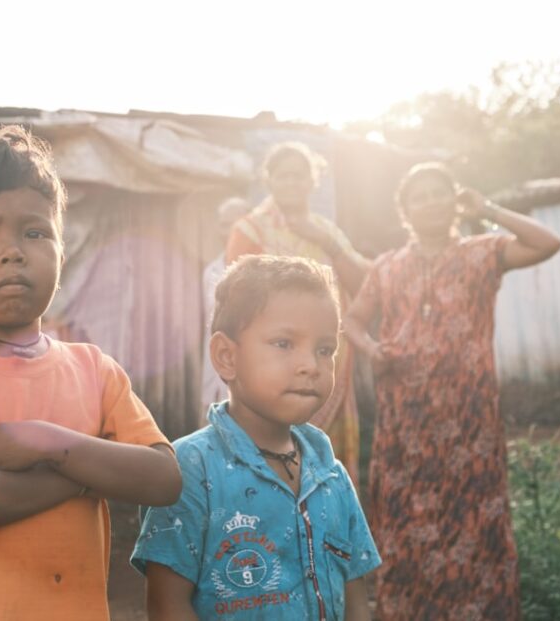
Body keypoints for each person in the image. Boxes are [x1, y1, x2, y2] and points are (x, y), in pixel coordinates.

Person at [0, 125, 182, 621]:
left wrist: (47, 442)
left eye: (35, 231)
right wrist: (82, 479)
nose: (12, 251)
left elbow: (164, 477)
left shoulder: (94, 370)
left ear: (61, 256)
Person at [343, 162, 560, 620]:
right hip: (407, 421)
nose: (429, 203)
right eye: (418, 196)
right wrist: (373, 348)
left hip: (469, 419)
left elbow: (548, 242)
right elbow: (354, 322)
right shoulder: (387, 268)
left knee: (474, 514)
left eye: (439, 193)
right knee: (409, 517)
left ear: (455, 201)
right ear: (405, 210)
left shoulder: (483, 253)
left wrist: (488, 208)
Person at [132, 255, 381, 621]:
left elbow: (356, 595)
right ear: (226, 356)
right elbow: (167, 606)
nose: (310, 365)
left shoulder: (331, 475)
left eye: (324, 350)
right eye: (283, 343)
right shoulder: (188, 470)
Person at [226, 142, 370, 484]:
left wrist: (326, 241)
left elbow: (366, 284)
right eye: (283, 175)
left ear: (313, 181)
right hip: (272, 361)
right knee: (271, 450)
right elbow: (234, 299)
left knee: (325, 463)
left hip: (329, 358)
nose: (292, 182)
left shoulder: (327, 230)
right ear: (269, 181)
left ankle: (328, 528)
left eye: (299, 175)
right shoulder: (251, 230)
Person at [201, 196, 252, 418]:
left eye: (237, 222)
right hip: (216, 368)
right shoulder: (211, 271)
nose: (230, 230)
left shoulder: (262, 270)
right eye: (224, 224)